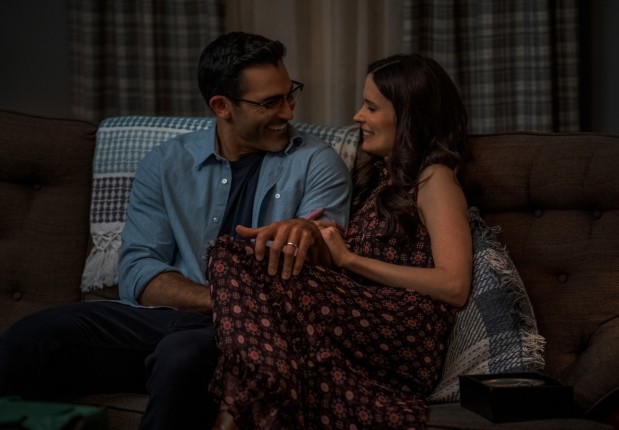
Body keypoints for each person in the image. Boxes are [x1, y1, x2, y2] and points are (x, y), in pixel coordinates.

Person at [0, 32, 351, 430]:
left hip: (257, 329)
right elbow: (138, 270)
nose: (287, 112)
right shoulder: (166, 163)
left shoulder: (316, 163)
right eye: (270, 102)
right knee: (33, 336)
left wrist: (311, 238)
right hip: (174, 316)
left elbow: (323, 269)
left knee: (181, 356)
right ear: (222, 106)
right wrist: (221, 300)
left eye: (290, 95)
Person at [205, 54, 473, 428]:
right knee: (248, 262)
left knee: (231, 255)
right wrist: (317, 240)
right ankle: (265, 384)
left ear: (409, 116)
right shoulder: (383, 180)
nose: (358, 116)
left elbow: (454, 285)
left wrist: (350, 259)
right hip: (365, 320)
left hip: (404, 333)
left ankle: (261, 389)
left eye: (371, 107)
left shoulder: (435, 178)